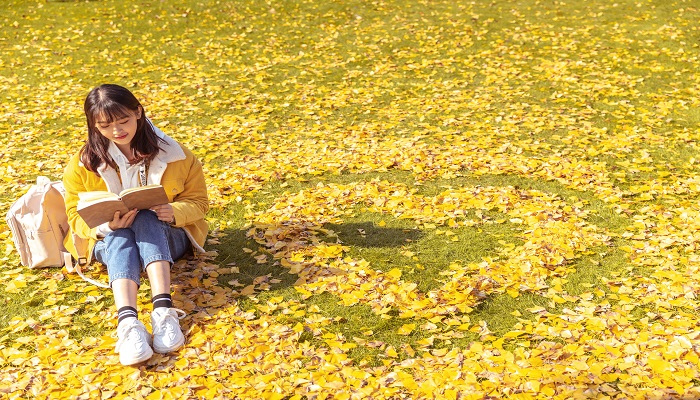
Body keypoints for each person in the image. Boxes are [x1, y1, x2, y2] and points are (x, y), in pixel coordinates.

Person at [62, 84, 209, 366]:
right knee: (119, 237)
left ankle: (163, 310)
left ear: (138, 112)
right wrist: (106, 227)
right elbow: (74, 215)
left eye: (123, 120)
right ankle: (128, 323)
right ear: (93, 125)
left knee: (144, 217)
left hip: (168, 235)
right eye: (105, 125)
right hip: (111, 241)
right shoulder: (82, 164)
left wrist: (173, 211)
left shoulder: (176, 154)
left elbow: (200, 203)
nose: (116, 130)